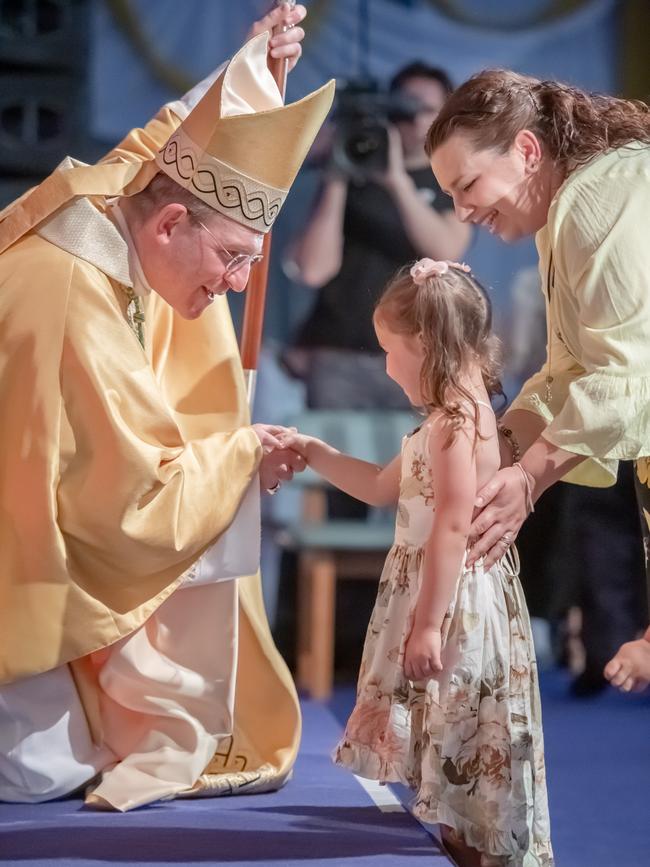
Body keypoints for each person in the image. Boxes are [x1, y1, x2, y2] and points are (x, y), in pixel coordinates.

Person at [0, 7, 335, 811]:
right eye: (233, 257)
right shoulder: (74, 291)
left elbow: (162, 141)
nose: (237, 284)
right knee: (41, 773)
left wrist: (250, 69)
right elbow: (128, 503)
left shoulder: (115, 197)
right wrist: (244, 450)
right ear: (174, 222)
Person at [283, 258, 553, 867]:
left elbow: (453, 524)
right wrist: (316, 452)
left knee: (462, 734)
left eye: (388, 349)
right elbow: (382, 487)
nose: (384, 364)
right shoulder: (446, 420)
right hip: (440, 590)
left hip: (451, 599)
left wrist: (428, 623)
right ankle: (462, 843)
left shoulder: (458, 425)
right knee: (450, 744)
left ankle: (477, 849)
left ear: (426, 344)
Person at [426, 70, 650, 694]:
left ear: (527, 151)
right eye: (449, 194)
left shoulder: (598, 197)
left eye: (467, 185)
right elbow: (568, 370)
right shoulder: (570, 206)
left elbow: (625, 372)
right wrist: (489, 451)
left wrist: (528, 479)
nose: (463, 210)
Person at [290, 61, 471, 413]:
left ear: (445, 117)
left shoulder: (449, 180)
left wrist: (397, 180)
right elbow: (312, 269)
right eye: (405, 109)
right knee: (333, 464)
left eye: (427, 110)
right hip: (339, 353)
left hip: (420, 354)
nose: (416, 120)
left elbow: (447, 250)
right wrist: (339, 174)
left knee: (414, 466)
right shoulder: (352, 171)